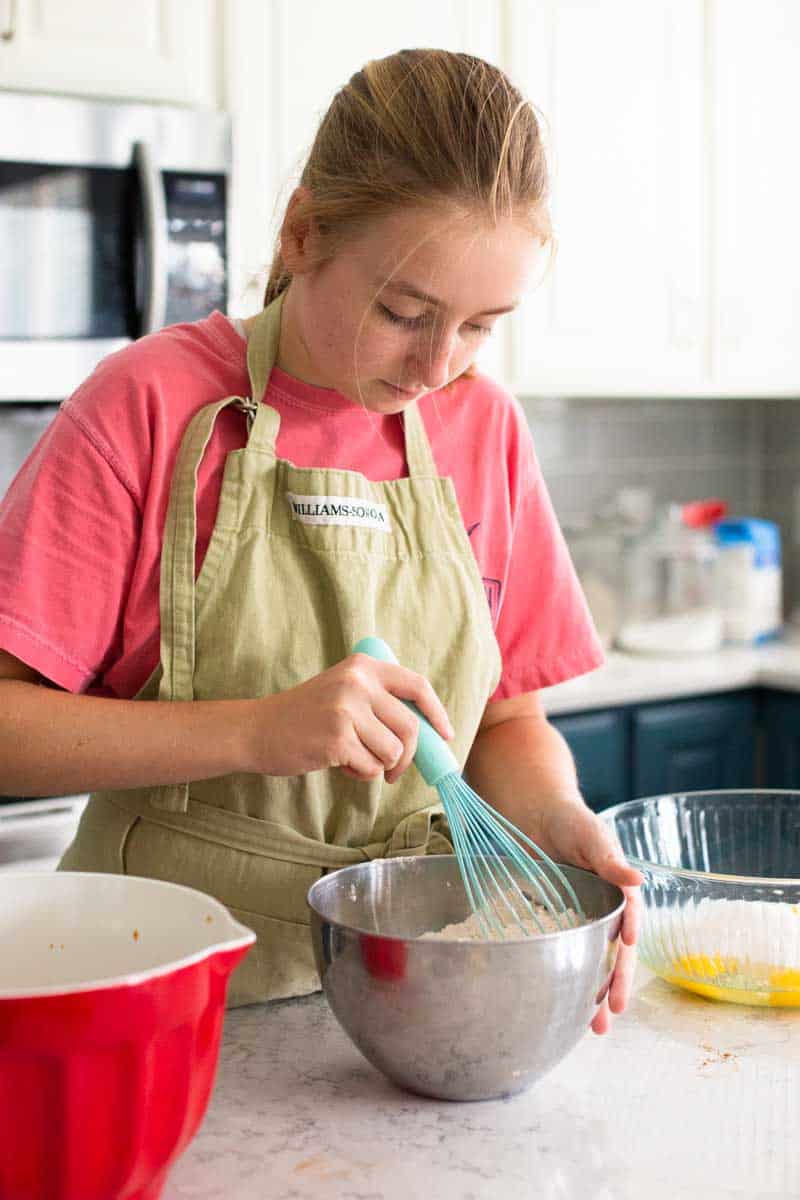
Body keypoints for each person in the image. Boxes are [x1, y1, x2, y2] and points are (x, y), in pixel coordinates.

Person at [0, 48, 641, 1026]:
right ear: (302, 233)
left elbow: (507, 723)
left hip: (411, 1006)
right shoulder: (150, 404)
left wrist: (555, 831)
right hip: (166, 1005)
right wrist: (256, 730)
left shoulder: (483, 429)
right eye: (403, 312)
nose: (435, 366)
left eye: (479, 326)